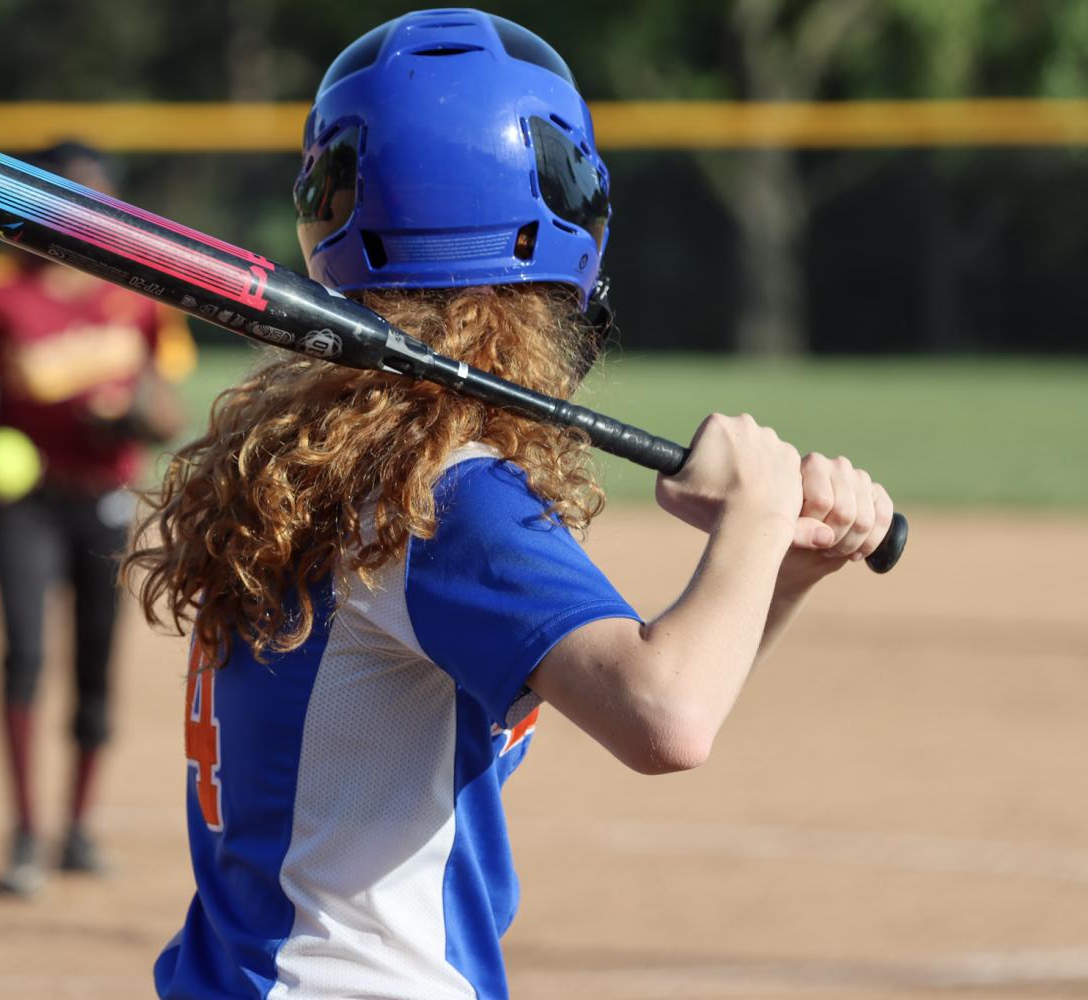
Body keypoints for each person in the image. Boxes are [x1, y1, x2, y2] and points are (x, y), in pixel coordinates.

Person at [125, 10, 893, 998]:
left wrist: (775, 567)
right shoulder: (442, 496)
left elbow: (630, 679)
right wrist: (749, 518)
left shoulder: (338, 469)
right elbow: (664, 718)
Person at [0, 140, 195, 897]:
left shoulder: (136, 289)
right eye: (67, 195)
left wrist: (136, 422)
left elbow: (165, 403)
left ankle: (77, 830)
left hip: (104, 501)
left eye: (96, 198)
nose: (84, 212)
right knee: (22, 655)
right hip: (27, 503)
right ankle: (23, 833)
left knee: (93, 664)